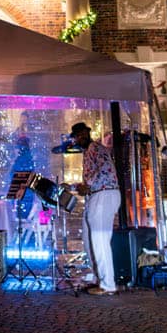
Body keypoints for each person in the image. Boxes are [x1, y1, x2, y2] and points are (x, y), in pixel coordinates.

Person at [71, 121, 121, 295]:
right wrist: (74, 186)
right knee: (88, 237)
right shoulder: (89, 151)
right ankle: (97, 277)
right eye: (77, 136)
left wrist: (88, 184)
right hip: (98, 194)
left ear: (88, 132)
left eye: (82, 133)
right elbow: (93, 177)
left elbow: (104, 169)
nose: (80, 137)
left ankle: (108, 284)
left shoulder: (95, 148)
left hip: (104, 194)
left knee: (99, 240)